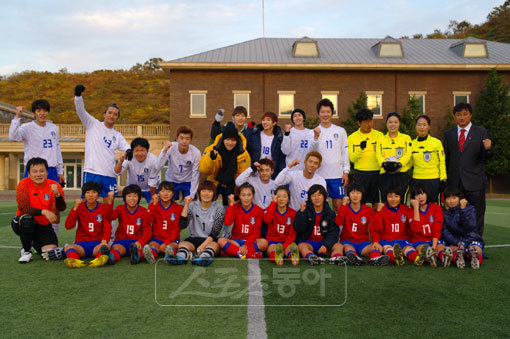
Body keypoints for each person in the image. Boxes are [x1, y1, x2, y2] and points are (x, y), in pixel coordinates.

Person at [10, 100, 65, 235]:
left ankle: (53, 238)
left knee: (54, 206)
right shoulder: (27, 127)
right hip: (34, 172)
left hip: (51, 171)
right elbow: (13, 136)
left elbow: (56, 149)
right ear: (34, 112)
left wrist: (60, 171)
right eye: (39, 110)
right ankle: (29, 240)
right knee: (31, 206)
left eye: (45, 110)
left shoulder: (53, 128)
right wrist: (17, 117)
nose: (42, 113)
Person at [443, 102, 492, 237]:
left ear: (470, 115)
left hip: (475, 182)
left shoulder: (481, 132)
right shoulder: (449, 134)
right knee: (456, 216)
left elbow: (486, 157)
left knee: (477, 215)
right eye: (458, 115)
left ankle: (476, 246)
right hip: (455, 184)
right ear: (454, 117)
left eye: (465, 114)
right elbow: (446, 159)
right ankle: (459, 246)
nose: (462, 117)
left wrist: (488, 149)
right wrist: (446, 181)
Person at [74, 84, 130, 200]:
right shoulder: (92, 124)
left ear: (117, 118)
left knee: (109, 205)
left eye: (115, 114)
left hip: (109, 175)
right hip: (91, 172)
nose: (112, 116)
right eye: (109, 113)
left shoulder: (117, 135)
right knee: (87, 203)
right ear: (104, 114)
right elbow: (81, 111)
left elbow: (127, 149)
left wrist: (125, 157)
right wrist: (78, 96)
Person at [12, 157, 66, 263]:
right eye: (34, 171)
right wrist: (44, 211)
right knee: (27, 219)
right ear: (29, 173)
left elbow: (61, 208)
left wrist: (57, 195)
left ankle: (35, 243)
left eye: (42, 171)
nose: (38, 174)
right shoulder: (23, 184)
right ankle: (27, 251)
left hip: (43, 225)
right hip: (21, 222)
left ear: (46, 172)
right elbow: (23, 209)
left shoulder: (55, 186)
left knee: (50, 253)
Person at [330, 183, 390, 266]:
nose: (355, 196)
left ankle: (375, 258)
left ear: (362, 195)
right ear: (348, 195)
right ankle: (354, 258)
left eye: (358, 193)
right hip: (348, 241)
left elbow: (373, 228)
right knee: (348, 248)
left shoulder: (368, 210)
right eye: (352, 193)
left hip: (363, 242)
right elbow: (338, 222)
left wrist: (375, 242)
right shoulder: (345, 208)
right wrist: (343, 205)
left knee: (374, 247)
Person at [169, 181, 225, 266]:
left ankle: (203, 258)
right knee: (183, 244)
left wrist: (203, 246)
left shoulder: (219, 208)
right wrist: (186, 205)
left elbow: (215, 231)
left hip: (210, 240)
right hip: (194, 238)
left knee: (213, 246)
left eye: (209, 191)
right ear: (199, 193)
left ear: (214, 194)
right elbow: (182, 225)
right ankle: (180, 258)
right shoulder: (192, 206)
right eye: (203, 191)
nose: (206, 194)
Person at [370, 186, 427, 266]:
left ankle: (418, 259)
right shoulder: (381, 209)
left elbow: (415, 228)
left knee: (409, 249)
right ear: (386, 197)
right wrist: (379, 212)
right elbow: (377, 228)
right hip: (387, 240)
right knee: (388, 249)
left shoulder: (405, 209)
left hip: (402, 240)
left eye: (396, 196)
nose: (393, 199)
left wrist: (415, 208)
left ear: (401, 198)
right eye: (390, 196)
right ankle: (396, 258)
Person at [199, 122, 251, 206]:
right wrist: (211, 159)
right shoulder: (211, 149)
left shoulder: (244, 154)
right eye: (227, 139)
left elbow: (243, 176)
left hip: (232, 186)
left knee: (228, 210)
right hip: (214, 183)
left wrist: (239, 193)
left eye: (233, 140)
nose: (230, 143)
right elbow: (203, 170)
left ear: (237, 140)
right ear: (223, 139)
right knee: (210, 209)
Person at [63, 182, 113, 268]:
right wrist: (74, 208)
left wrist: (104, 241)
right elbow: (68, 226)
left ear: (98, 194)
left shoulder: (103, 208)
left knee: (106, 247)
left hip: (97, 244)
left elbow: (107, 227)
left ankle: (99, 259)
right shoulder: (79, 207)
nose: (91, 195)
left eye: (94, 192)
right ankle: (74, 260)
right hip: (81, 244)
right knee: (68, 247)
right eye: (88, 192)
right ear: (84, 195)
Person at [313, 98, 350, 212]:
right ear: (318, 114)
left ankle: (338, 230)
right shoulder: (314, 131)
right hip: (320, 175)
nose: (325, 114)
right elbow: (312, 153)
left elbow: (345, 152)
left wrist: (346, 172)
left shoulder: (340, 131)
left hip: (337, 175)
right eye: (322, 112)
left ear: (332, 113)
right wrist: (315, 137)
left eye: (328, 111)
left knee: (337, 206)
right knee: (319, 207)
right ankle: (321, 229)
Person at [217, 183, 268, 259]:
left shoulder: (259, 210)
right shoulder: (235, 207)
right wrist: (231, 205)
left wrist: (245, 245)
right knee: (220, 241)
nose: (246, 198)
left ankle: (233, 252)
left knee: (264, 243)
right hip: (236, 241)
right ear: (239, 196)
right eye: (243, 195)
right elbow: (227, 223)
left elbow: (256, 232)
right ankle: (249, 254)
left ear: (253, 196)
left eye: (249, 195)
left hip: (251, 242)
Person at [293, 184, 339, 265]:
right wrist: (301, 213)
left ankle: (336, 258)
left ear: (324, 197)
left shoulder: (330, 213)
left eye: (319, 195)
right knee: (302, 246)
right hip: (308, 243)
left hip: (323, 243)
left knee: (338, 246)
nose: (317, 198)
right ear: (310, 198)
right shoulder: (304, 210)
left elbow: (334, 233)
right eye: (313, 195)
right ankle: (312, 257)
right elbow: (299, 229)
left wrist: (326, 245)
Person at [348, 109, 384, 208]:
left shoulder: (380, 136)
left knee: (377, 202)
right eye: (366, 121)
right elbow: (352, 159)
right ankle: (361, 223)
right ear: (359, 123)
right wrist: (360, 148)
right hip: (360, 174)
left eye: (371, 120)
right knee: (359, 202)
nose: (369, 124)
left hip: (377, 173)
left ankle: (375, 223)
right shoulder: (352, 138)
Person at [107, 184, 151, 265]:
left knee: (141, 249)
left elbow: (147, 231)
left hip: (136, 241)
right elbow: (110, 217)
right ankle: (111, 257)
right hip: (121, 241)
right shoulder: (120, 208)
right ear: (125, 197)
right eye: (129, 196)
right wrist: (110, 201)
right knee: (117, 248)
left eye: (135, 196)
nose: (132, 199)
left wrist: (140, 242)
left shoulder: (144, 212)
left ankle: (136, 257)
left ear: (139, 198)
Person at [442, 187, 484, 269]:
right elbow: (445, 232)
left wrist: (463, 210)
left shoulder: (469, 208)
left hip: (471, 238)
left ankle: (473, 257)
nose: (451, 201)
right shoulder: (443, 211)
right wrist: (457, 242)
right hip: (455, 240)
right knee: (452, 250)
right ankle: (460, 257)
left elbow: (470, 226)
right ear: (445, 200)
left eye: (454, 198)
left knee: (476, 249)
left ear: (460, 198)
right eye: (448, 198)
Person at [376, 112, 413, 203]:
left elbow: (408, 153)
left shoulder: (406, 138)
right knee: (385, 199)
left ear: (399, 123)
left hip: (401, 173)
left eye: (395, 122)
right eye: (390, 122)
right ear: (386, 123)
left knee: (401, 200)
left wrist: (399, 164)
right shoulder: (381, 139)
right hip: (385, 173)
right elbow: (378, 154)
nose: (393, 125)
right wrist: (383, 164)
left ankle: (402, 217)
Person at [143, 181, 184, 264]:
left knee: (171, 246)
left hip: (171, 239)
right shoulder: (155, 205)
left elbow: (176, 229)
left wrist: (166, 243)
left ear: (173, 194)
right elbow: (147, 221)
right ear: (158, 194)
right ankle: (151, 257)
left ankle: (169, 256)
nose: (165, 194)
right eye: (163, 191)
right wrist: (153, 205)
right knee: (153, 245)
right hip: (157, 238)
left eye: (168, 191)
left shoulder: (178, 208)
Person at [408, 184, 447, 267]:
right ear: (413, 198)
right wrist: (416, 208)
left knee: (440, 247)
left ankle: (444, 257)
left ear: (427, 194)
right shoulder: (410, 211)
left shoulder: (436, 208)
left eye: (422, 194)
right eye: (417, 195)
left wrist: (433, 247)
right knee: (423, 248)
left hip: (434, 239)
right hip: (419, 240)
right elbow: (416, 229)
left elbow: (437, 229)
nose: (420, 197)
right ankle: (430, 257)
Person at [157, 125, 201, 200]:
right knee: (166, 202)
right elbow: (158, 166)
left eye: (187, 139)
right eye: (181, 138)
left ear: (191, 140)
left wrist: (192, 194)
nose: (184, 141)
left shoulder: (196, 152)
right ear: (177, 139)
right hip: (171, 179)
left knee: (191, 204)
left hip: (187, 181)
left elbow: (195, 174)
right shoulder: (170, 147)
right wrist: (164, 151)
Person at [411, 115, 446, 204]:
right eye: (419, 124)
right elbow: (409, 162)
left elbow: (442, 161)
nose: (421, 127)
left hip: (433, 179)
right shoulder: (411, 144)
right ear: (415, 126)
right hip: (417, 179)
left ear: (429, 126)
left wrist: (443, 178)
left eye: (424, 124)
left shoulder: (436, 142)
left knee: (434, 206)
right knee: (417, 206)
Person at [114, 137, 161, 203]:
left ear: (147, 151)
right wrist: (121, 161)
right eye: (136, 150)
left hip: (150, 189)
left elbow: (153, 181)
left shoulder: (153, 160)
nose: (139, 154)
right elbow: (117, 172)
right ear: (133, 151)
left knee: (155, 207)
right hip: (133, 188)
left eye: (142, 150)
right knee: (127, 209)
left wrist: (153, 199)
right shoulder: (129, 157)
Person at [263, 186, 299, 266]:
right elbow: (267, 220)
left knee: (288, 249)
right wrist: (273, 203)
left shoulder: (293, 213)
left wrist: (284, 245)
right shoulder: (270, 208)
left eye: (284, 196)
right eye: (278, 196)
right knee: (272, 249)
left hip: (286, 241)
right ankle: (277, 257)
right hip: (273, 240)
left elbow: (292, 233)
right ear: (275, 197)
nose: (281, 199)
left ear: (288, 199)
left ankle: (293, 257)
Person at [245, 111, 286, 179]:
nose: (265, 122)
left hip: (271, 174)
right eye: (263, 120)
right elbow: (246, 147)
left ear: (274, 123)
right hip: (255, 173)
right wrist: (249, 130)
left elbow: (281, 159)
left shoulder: (279, 139)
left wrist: (280, 175)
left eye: (268, 120)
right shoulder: (255, 135)